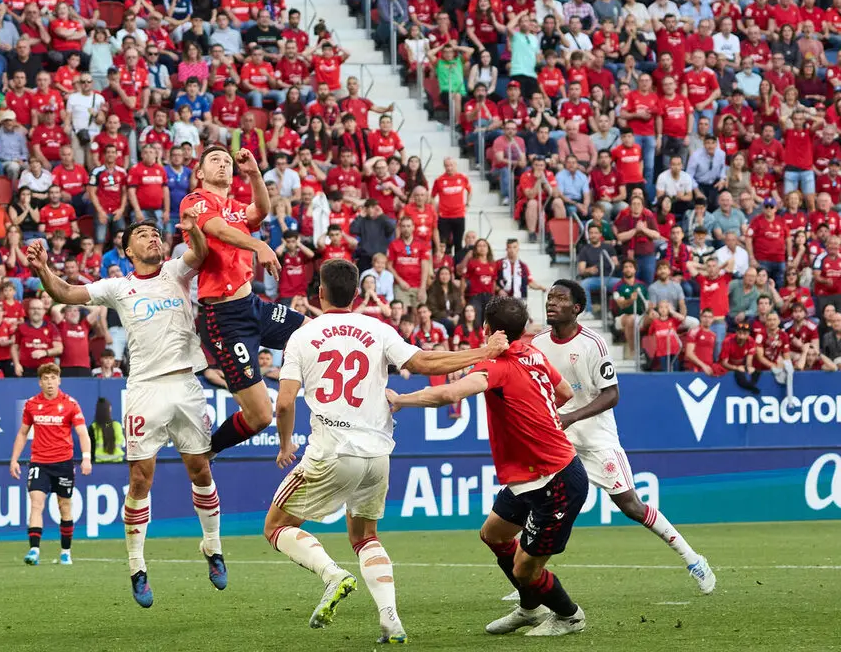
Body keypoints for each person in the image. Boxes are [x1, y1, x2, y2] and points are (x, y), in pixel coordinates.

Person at [267, 259, 508, 642]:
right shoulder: (377, 328)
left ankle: (333, 576)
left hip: (332, 450)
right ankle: (390, 618)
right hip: (378, 455)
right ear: (358, 293)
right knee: (365, 537)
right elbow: (425, 360)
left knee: (277, 526)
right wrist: (483, 352)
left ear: (320, 294)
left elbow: (283, 404)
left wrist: (285, 444)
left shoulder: (302, 335)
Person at [27, 211, 226, 606]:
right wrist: (43, 269)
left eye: (156, 233)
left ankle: (213, 547)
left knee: (200, 468)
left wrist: (194, 230)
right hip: (144, 389)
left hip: (186, 383)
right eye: (143, 235)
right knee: (140, 479)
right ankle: (137, 566)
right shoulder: (118, 286)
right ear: (128, 250)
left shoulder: (176, 270)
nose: (153, 238)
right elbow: (66, 293)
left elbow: (201, 255)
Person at [387, 295, 588, 637]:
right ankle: (529, 609)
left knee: (526, 570)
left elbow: (450, 395)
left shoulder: (497, 367)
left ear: (487, 330)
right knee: (493, 534)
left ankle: (570, 616)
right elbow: (565, 392)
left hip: (556, 481)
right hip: (529, 477)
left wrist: (400, 399)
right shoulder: (534, 354)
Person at [531, 281, 715, 594]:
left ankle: (693, 558)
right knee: (541, 505)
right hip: (559, 441)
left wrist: (571, 416)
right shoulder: (537, 343)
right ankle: (530, 576)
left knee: (631, 505)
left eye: (560, 298)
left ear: (577, 308)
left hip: (596, 440)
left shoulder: (593, 344)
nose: (552, 302)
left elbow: (612, 394)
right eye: (550, 297)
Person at [179, 146, 297, 457]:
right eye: (215, 160)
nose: (223, 165)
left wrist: (255, 173)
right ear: (201, 173)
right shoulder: (194, 202)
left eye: (227, 162)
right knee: (259, 416)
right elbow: (218, 229)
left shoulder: (234, 206)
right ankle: (206, 453)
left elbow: (260, 211)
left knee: (317, 332)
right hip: (225, 319)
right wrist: (258, 244)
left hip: (253, 306)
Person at [8, 364, 92, 566]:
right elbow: (22, 433)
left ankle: (65, 552)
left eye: (53, 378)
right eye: (45, 378)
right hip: (39, 462)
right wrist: (14, 459)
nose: (49, 382)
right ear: (40, 382)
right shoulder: (31, 404)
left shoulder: (70, 404)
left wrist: (87, 457)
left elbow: (82, 433)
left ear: (59, 380)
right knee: (36, 505)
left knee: (64, 507)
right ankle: (34, 550)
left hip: (63, 463)